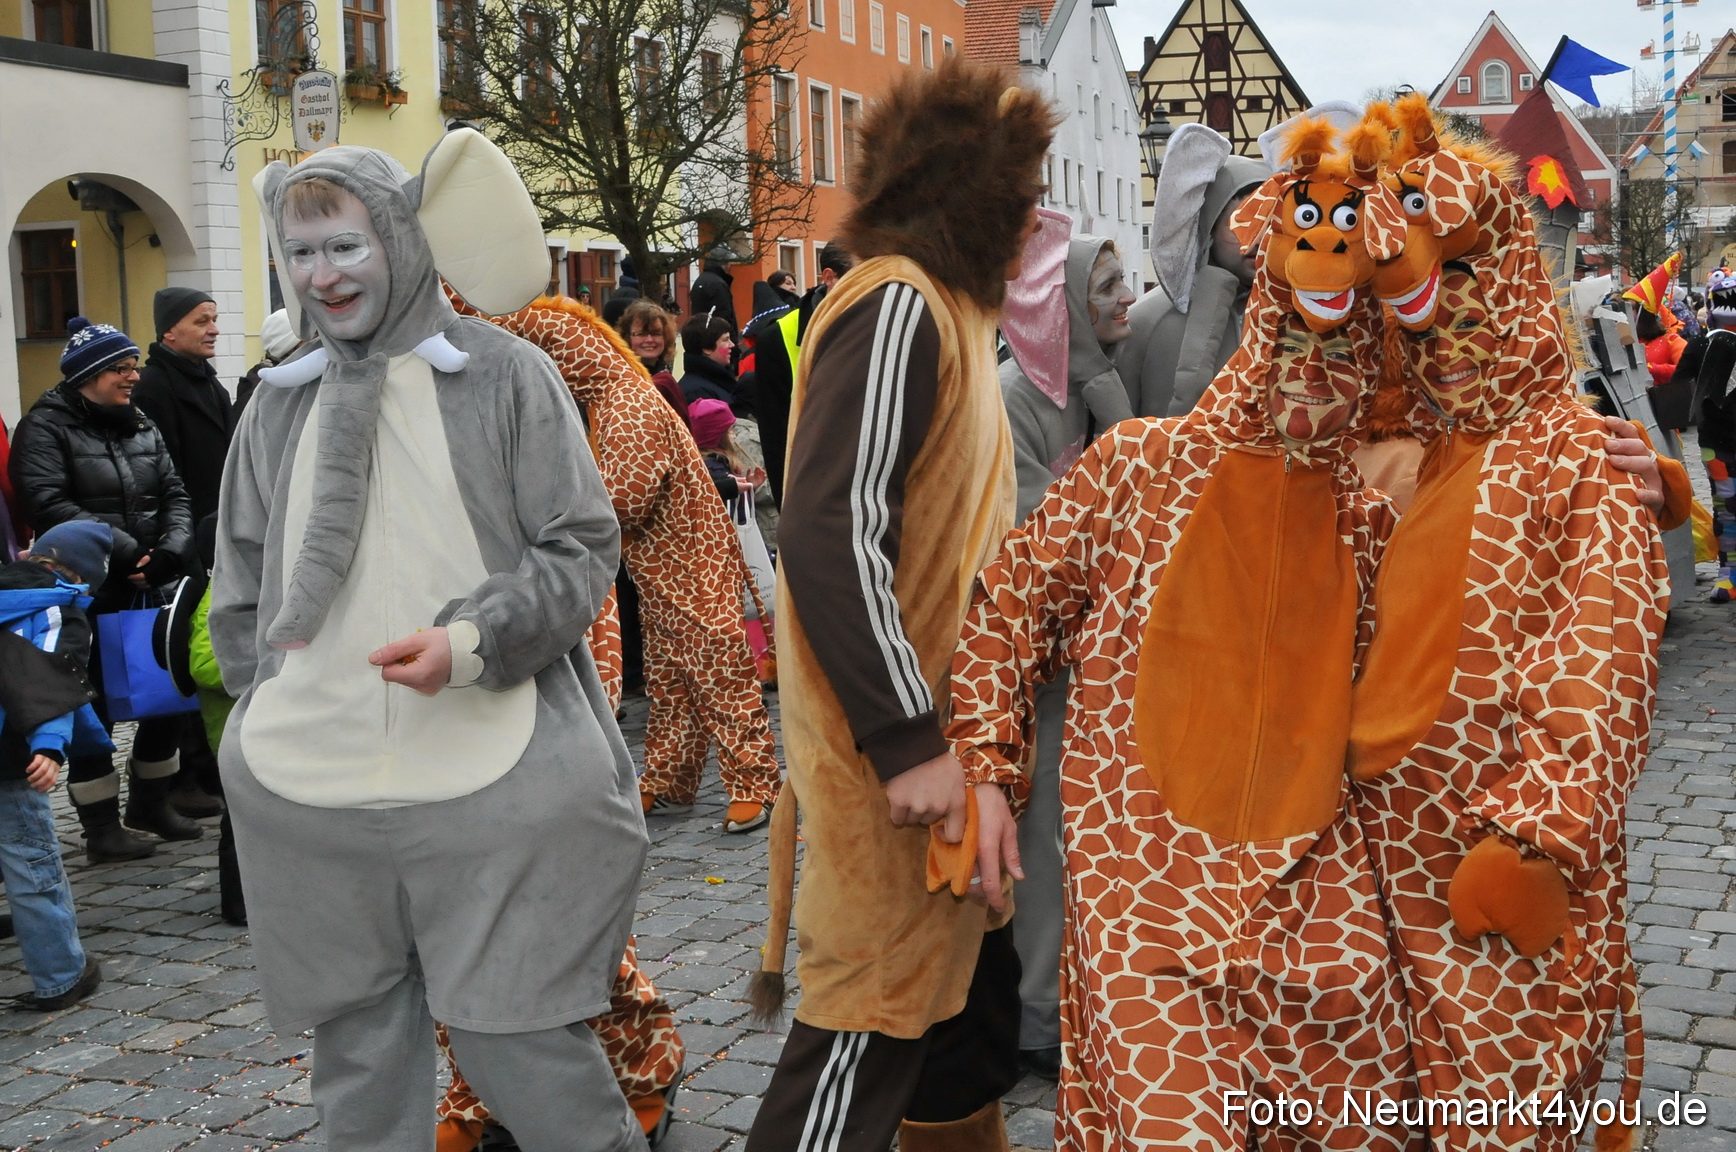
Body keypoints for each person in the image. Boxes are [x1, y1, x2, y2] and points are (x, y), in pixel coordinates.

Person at [948, 116, 1425, 1150]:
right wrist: (983, 773)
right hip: (1147, 905)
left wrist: (1571, 462)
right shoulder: (1135, 471)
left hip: (1321, 917)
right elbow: (1003, 611)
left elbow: (1445, 700)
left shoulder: (1365, 517)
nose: (1324, 367)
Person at [211, 131, 645, 1151]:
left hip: (490, 784)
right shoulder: (276, 408)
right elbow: (238, 581)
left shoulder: (504, 377)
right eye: (303, 251)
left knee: (521, 1045)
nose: (324, 277)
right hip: (316, 793)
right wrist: (266, 710)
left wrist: (472, 643)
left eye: (346, 247)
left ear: (401, 238)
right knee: (360, 1072)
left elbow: (580, 546)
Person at [745, 61, 1056, 1152]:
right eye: (1021, 202)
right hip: (899, 777)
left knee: (962, 1031)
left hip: (956, 764)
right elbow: (829, 535)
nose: (1033, 228)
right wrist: (908, 740)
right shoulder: (892, 305)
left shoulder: (959, 319)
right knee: (860, 1036)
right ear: (978, 201)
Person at [1347, 101, 1670, 1152]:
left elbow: (1598, 645)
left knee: (1508, 1092)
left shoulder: (1567, 455)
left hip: (1493, 855)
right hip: (1369, 866)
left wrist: (1539, 825)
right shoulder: (1365, 450)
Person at [434, 287, 704, 1144]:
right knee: (448, 908)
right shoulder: (342, 382)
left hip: (534, 645)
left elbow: (583, 537)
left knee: (556, 892)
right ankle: (480, 1092)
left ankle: (638, 1058)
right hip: (414, 671)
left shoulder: (520, 358)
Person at [446, 289, 781, 838]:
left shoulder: (626, 405)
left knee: (719, 673)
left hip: (690, 565)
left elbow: (624, 500)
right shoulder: (615, 399)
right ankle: (672, 779)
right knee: (671, 680)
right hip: (662, 568)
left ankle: (754, 784)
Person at [992, 218, 1137, 1079]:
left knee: (1083, 837)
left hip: (1091, 660)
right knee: (1042, 840)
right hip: (1035, 663)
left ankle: (1068, 1001)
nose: (1126, 297)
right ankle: (1034, 1018)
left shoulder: (1092, 385)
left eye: (1125, 283)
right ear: (1064, 306)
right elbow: (1038, 528)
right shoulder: (1018, 396)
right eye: (1106, 286)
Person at [8, 318, 196, 862]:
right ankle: (100, 829)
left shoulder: (141, 423)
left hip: (148, 584)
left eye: (133, 365)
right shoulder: (44, 427)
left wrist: (171, 551)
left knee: (166, 694)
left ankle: (151, 803)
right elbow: (46, 501)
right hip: (84, 589)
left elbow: (175, 492)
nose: (132, 376)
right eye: (121, 368)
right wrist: (122, 548)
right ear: (88, 374)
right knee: (91, 707)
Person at [0, 521, 112, 1009]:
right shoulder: (59, 613)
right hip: (11, 757)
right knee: (33, 866)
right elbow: (51, 684)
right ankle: (62, 975)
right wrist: (49, 748)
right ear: (85, 580)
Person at [134, 286, 235, 823]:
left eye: (215, 319)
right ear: (169, 330)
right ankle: (185, 776)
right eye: (202, 320)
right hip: (184, 540)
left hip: (216, 533)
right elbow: (164, 474)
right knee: (190, 655)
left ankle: (203, 770)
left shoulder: (209, 383)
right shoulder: (153, 386)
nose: (213, 329)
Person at [1114, 123, 1270, 419]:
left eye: (1272, 222)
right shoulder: (1148, 321)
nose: (1259, 238)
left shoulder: (1296, 315)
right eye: (1242, 223)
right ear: (1209, 223)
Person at [752, 242, 855, 502]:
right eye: (859, 278)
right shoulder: (777, 338)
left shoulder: (883, 326)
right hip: (814, 495)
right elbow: (776, 440)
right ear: (829, 278)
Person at [617, 299, 689, 427]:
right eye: (641, 334)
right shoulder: (622, 379)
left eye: (656, 333)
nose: (649, 340)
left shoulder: (666, 376)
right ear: (627, 337)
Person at [678, 313, 743, 413]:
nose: (732, 344)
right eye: (725, 340)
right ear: (707, 348)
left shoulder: (718, 380)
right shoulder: (697, 393)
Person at [688, 248, 738, 337]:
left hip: (701, 335)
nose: (729, 266)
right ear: (724, 264)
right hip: (716, 339)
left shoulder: (700, 280)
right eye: (728, 263)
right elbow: (724, 316)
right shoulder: (718, 284)